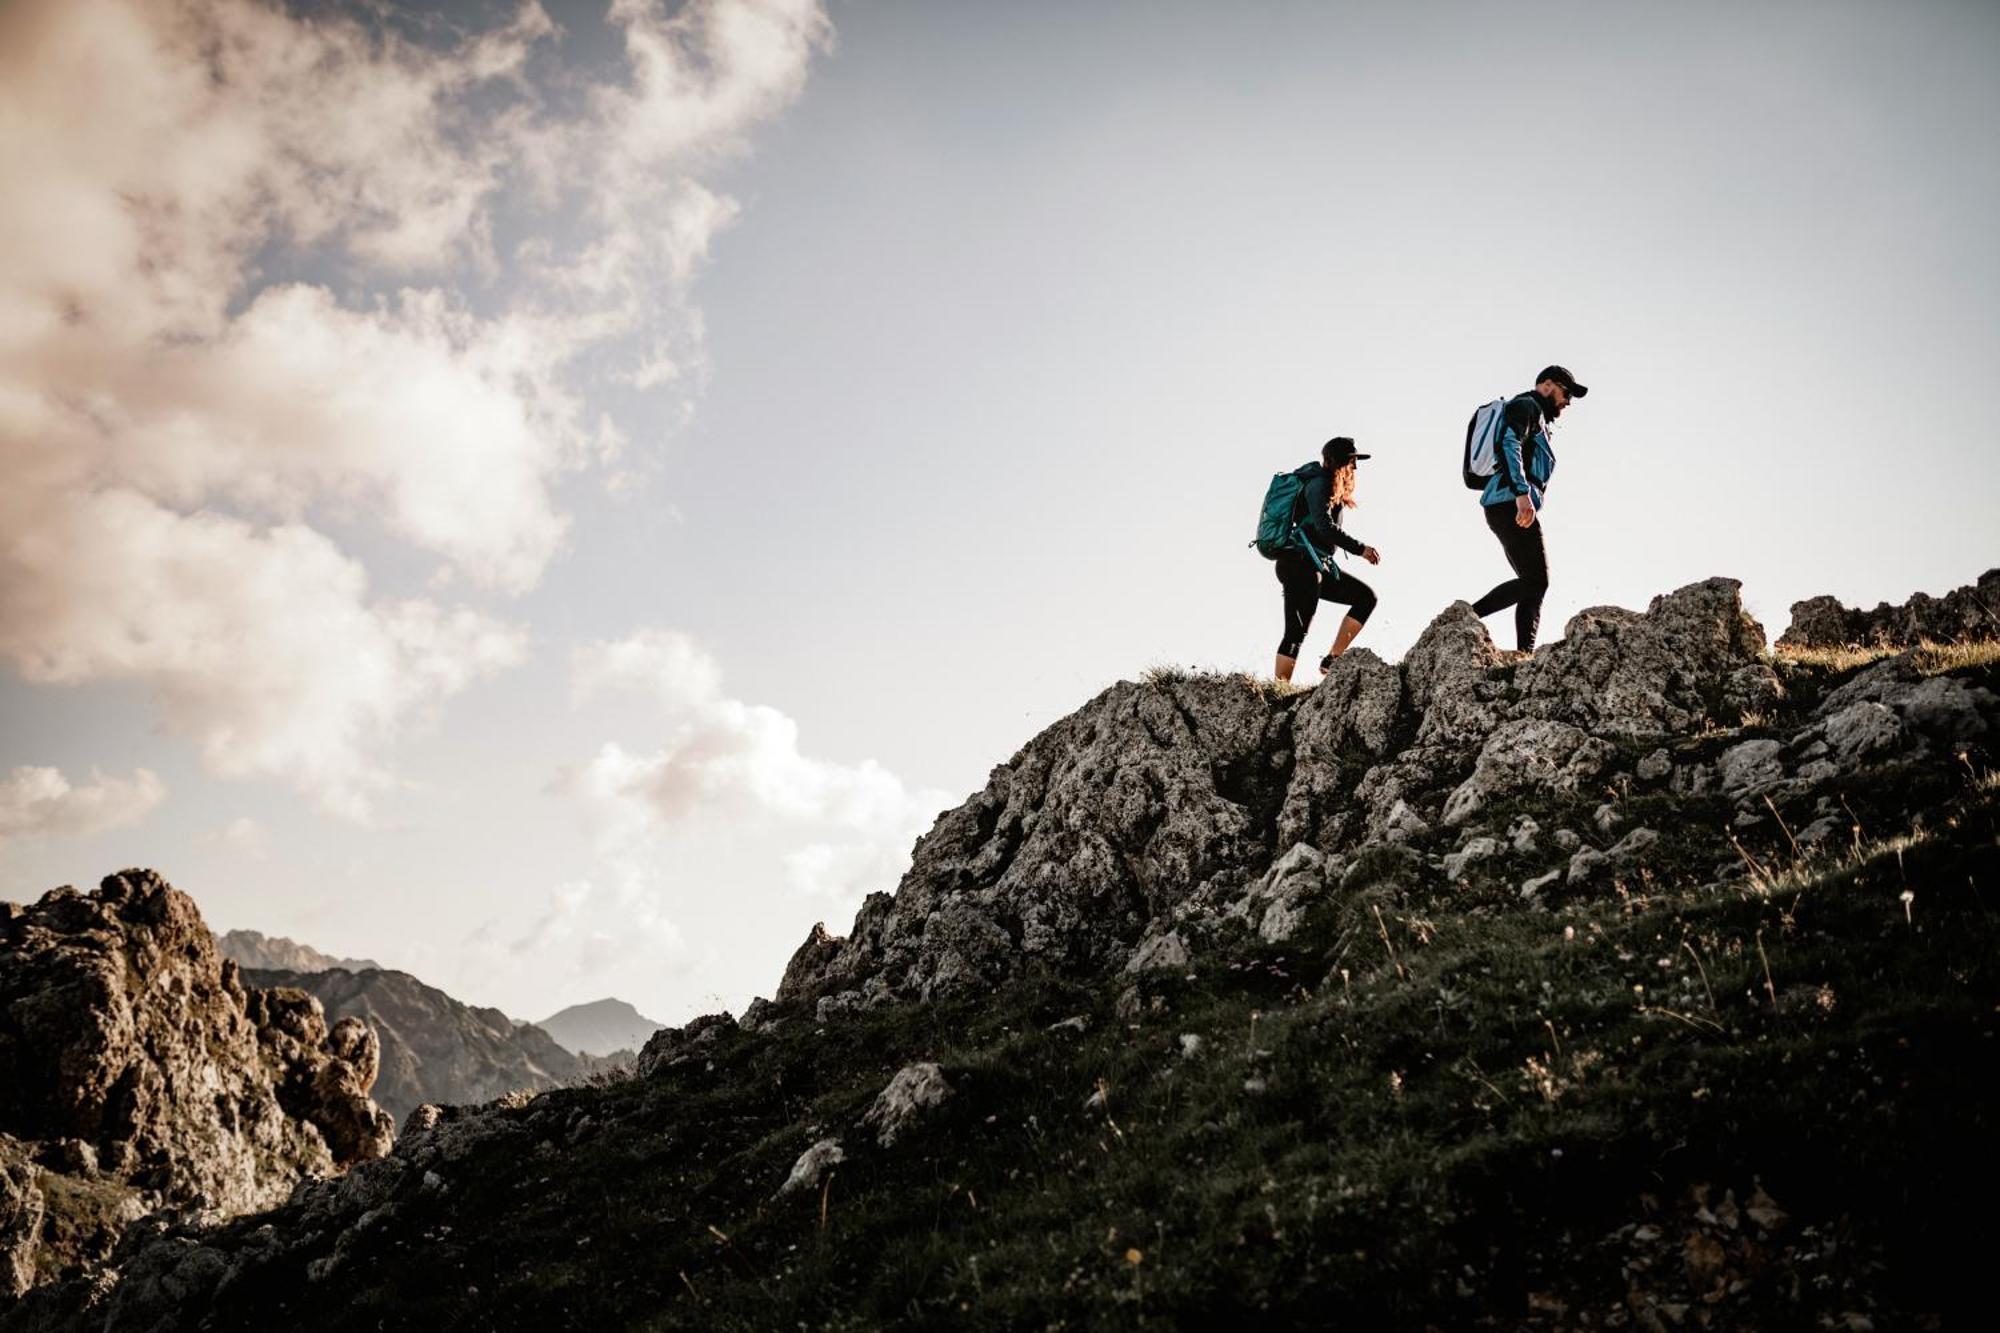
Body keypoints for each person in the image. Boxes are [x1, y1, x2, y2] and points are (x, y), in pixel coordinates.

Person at [1470, 365, 1587, 657]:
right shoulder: (1527, 406)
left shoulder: (1538, 416)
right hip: (1509, 501)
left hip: (1508, 503)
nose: (1568, 401)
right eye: (1566, 392)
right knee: (1537, 580)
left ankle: (1525, 655)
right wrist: (1522, 494)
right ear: (1547, 385)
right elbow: (1509, 443)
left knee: (1533, 582)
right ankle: (1468, 617)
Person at [1273, 436, 1382, 682]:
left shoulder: (1326, 485)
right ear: (1341, 462)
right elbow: (1324, 527)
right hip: (1298, 564)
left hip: (1315, 565)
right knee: (1296, 631)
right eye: (1352, 461)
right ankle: (1279, 691)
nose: (1355, 468)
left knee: (1365, 598)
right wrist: (1360, 548)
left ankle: (1332, 660)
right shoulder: (1319, 484)